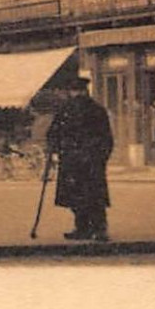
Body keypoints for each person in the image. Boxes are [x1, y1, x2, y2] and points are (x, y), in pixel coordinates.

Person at [46, 75, 115, 241]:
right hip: (87, 160)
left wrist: (55, 148)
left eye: (76, 91)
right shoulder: (95, 109)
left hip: (75, 159)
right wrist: (102, 158)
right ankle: (93, 228)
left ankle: (88, 227)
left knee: (79, 196)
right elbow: (107, 138)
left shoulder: (68, 110)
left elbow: (53, 133)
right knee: (90, 195)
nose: (76, 94)